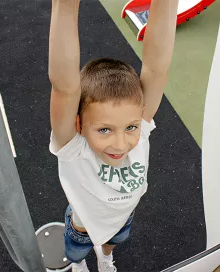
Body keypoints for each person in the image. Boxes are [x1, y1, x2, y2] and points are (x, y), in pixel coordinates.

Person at [48, 0, 178, 271]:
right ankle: (79, 264)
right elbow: (64, 87)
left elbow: (157, 69)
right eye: (104, 129)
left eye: (130, 127)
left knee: (113, 242)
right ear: (79, 124)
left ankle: (105, 257)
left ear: (140, 115)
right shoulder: (74, 147)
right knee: (75, 253)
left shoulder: (142, 129)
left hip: (123, 216)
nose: (121, 144)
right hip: (82, 226)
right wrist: (65, 6)